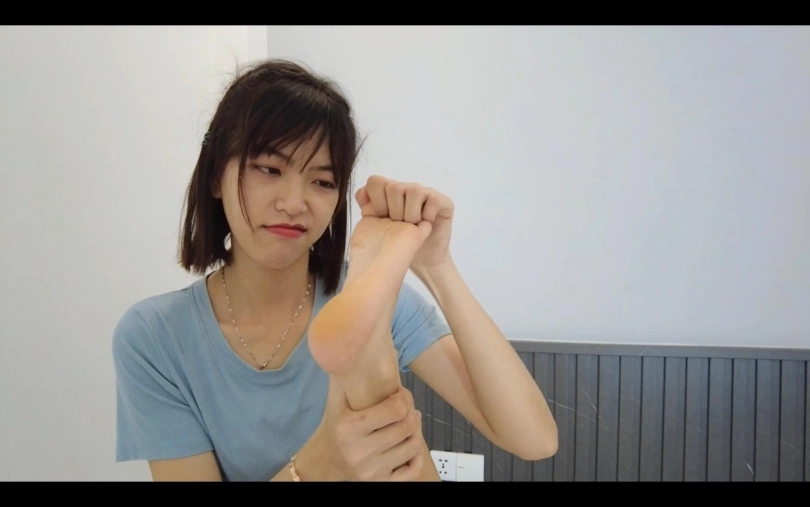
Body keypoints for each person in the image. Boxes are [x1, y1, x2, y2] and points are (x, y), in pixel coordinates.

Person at [112, 59, 558, 482]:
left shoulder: (374, 297)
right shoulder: (155, 337)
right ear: (215, 177)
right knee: (377, 388)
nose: (294, 203)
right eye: (269, 168)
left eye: (323, 181)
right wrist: (324, 460)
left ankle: (369, 364)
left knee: (380, 373)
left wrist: (435, 264)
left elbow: (535, 439)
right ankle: (369, 367)